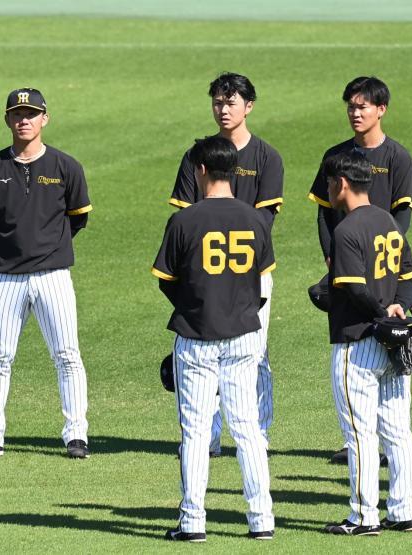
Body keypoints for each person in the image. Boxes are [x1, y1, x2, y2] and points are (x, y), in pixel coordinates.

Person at [153, 136, 275, 542]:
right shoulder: (256, 219)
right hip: (244, 336)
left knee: (196, 431)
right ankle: (261, 519)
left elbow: (167, 281)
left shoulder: (184, 221)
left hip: (197, 335)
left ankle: (192, 522)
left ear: (200, 170)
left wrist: (194, 306)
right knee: (248, 428)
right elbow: (260, 285)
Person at [0, 88, 92, 460]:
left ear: (45, 119)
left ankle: (76, 435)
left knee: (67, 354)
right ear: (7, 119)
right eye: (18, 113)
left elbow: (78, 218)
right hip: (6, 277)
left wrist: (47, 247)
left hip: (53, 275)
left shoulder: (66, 167)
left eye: (32, 113)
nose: (24, 119)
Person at [168, 72, 283, 456]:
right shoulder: (197, 156)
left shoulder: (267, 157)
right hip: (205, 271)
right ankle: (211, 437)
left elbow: (265, 222)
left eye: (231, 102)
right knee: (206, 349)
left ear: (248, 106)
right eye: (218, 101)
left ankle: (257, 432)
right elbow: (186, 216)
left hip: (253, 270)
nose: (223, 108)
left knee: (256, 352)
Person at [308, 77, 412, 465]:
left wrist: (380, 250)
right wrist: (332, 257)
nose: (356, 113)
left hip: (382, 259)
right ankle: (357, 434)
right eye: (351, 107)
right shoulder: (336, 155)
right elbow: (324, 212)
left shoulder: (398, 158)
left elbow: (401, 217)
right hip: (347, 257)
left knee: (369, 344)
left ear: (381, 109)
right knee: (352, 331)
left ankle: (379, 441)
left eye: (363, 107)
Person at [321, 151, 412, 536]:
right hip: (392, 345)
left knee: (360, 433)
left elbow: (354, 290)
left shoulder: (346, 231)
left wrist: (380, 311)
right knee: (397, 430)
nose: (328, 190)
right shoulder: (389, 222)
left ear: (342, 183)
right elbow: (409, 277)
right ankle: (403, 511)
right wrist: (399, 308)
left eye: (330, 183)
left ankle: (364, 516)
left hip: (356, 343)